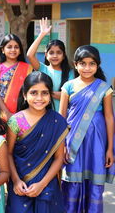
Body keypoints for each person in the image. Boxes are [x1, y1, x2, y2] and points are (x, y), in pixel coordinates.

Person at [59, 45, 115, 213]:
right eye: (83, 63)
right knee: (72, 180)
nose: (87, 68)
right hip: (72, 141)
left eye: (92, 63)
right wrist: (61, 145)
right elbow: (61, 118)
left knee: (94, 181)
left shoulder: (104, 88)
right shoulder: (68, 86)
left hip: (96, 142)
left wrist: (110, 149)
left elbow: (109, 117)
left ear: (97, 65)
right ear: (75, 65)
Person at [6, 71, 69, 213]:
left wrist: (42, 184)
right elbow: (8, 154)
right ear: (24, 94)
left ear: (50, 95)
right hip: (20, 184)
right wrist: (16, 180)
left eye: (44, 93)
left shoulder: (57, 121)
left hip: (47, 183)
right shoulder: (16, 121)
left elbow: (59, 158)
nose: (39, 98)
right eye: (33, 93)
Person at [27, 18, 73, 111]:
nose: (55, 56)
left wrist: (45, 92)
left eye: (59, 52)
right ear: (46, 55)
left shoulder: (70, 73)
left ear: (64, 56)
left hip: (63, 116)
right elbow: (30, 55)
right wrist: (42, 35)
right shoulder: (43, 69)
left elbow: (68, 96)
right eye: (51, 52)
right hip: (43, 114)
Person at [0, 34, 33, 120]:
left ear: (20, 50)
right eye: (9, 47)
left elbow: (30, 90)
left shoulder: (28, 68)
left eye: (16, 47)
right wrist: (7, 113)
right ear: (3, 50)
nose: (13, 50)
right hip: (2, 113)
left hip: (24, 112)